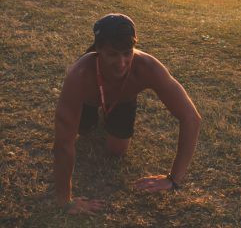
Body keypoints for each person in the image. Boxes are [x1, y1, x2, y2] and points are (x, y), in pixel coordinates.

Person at [54, 14, 201, 215]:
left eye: (127, 53)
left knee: (117, 150)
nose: (122, 62)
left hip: (123, 98)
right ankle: (94, 116)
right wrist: (65, 200)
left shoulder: (147, 67)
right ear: (98, 50)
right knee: (84, 131)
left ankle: (109, 114)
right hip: (89, 99)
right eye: (113, 54)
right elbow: (63, 143)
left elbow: (191, 118)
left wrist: (173, 179)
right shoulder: (80, 75)